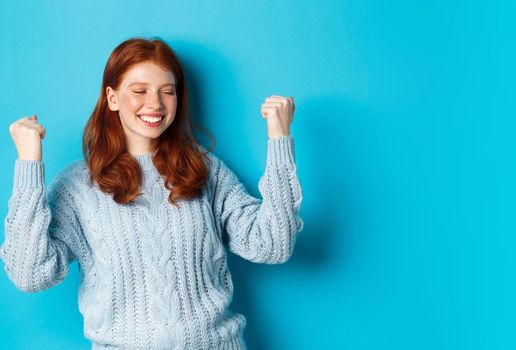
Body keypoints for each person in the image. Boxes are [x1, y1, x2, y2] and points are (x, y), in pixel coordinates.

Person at [1, 37, 304, 349]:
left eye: (167, 92)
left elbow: (273, 245)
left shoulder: (204, 170)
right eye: (140, 91)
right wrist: (28, 163)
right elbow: (31, 274)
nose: (156, 104)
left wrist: (279, 139)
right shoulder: (78, 186)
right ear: (112, 97)